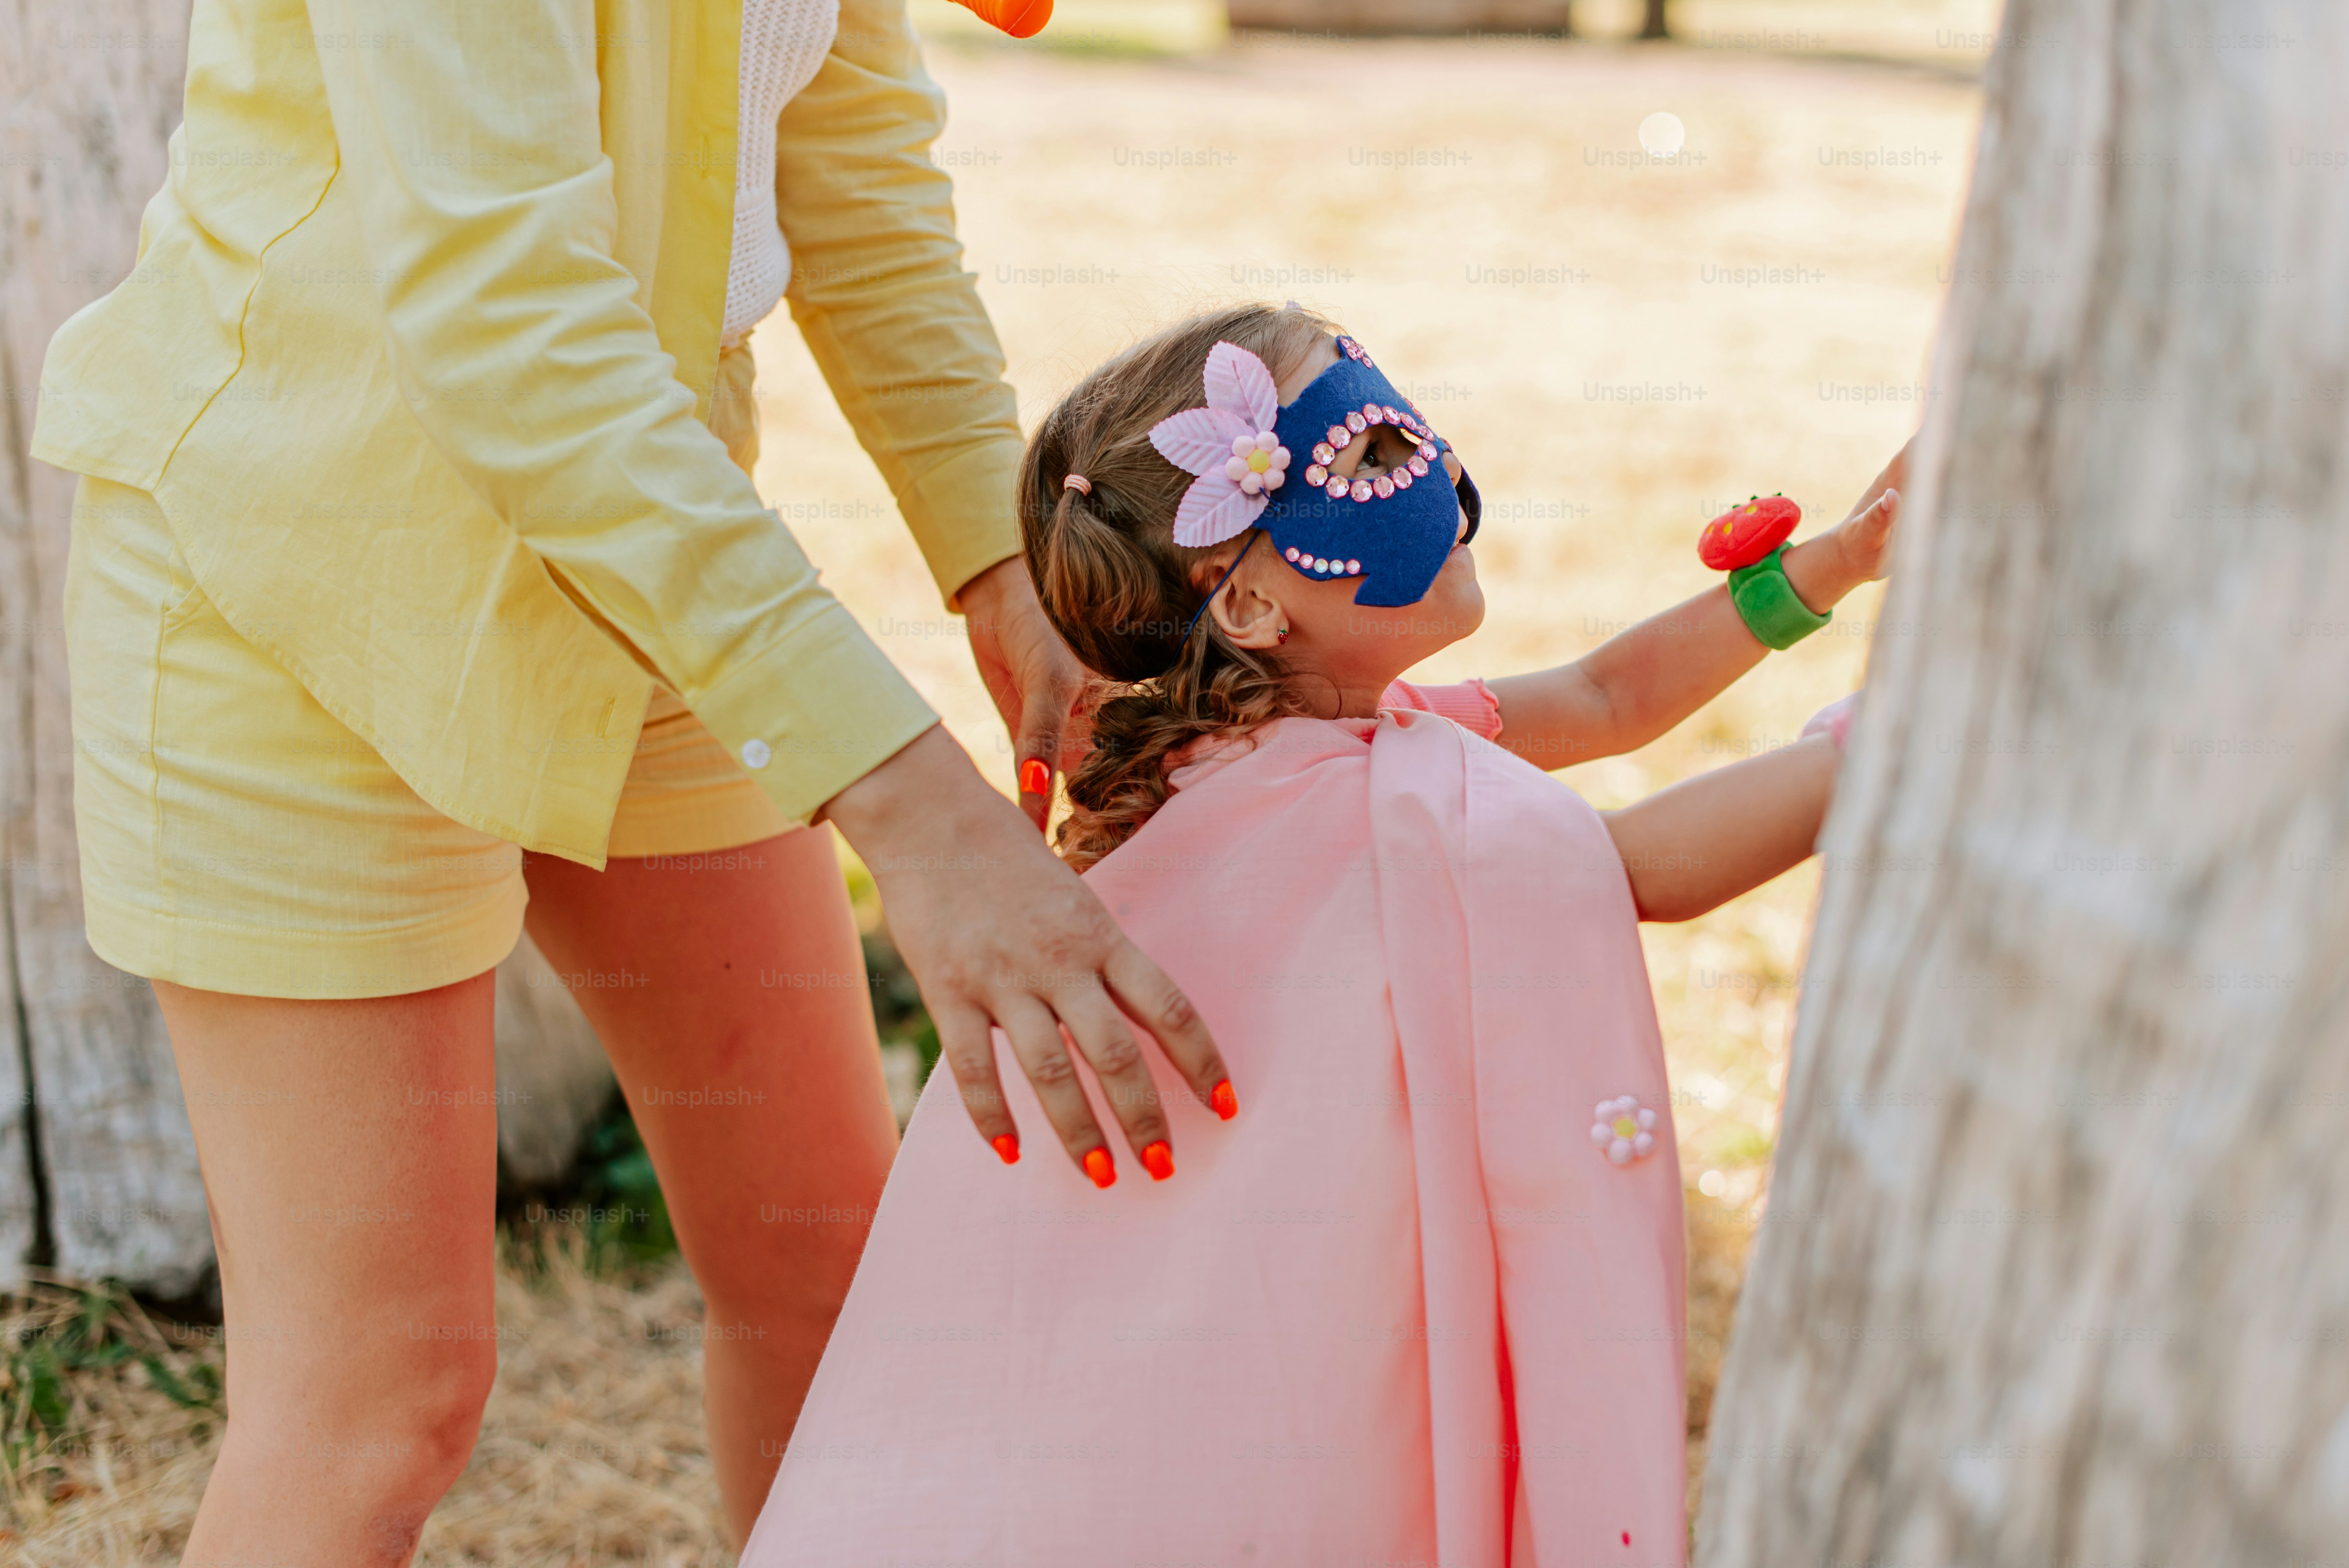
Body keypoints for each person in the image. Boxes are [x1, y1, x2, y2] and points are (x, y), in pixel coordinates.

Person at [31, 0, 1230, 1559]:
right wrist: (917, 812)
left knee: (835, 1276)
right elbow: (509, 328)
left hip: (639, 557)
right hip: (298, 580)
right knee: (381, 1403)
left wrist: (994, 560)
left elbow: (844, 159)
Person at [743, 303, 1902, 1565]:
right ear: (1247, 605)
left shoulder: (1295, 740)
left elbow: (1605, 697)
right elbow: (1623, 873)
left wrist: (1833, 565)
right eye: (1363, 456)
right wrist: (1879, 744)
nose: (1437, 470)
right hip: (1300, 1322)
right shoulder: (1330, 803)